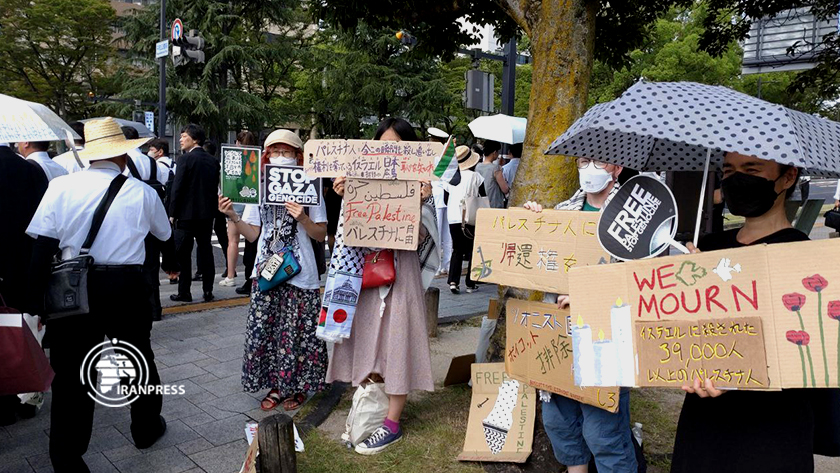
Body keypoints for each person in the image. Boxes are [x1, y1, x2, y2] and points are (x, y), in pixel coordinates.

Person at [672, 151, 840, 473]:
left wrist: (735, 374)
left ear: (788, 177)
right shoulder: (706, 248)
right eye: (729, 170)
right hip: (704, 420)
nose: (737, 179)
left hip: (773, 428)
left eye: (751, 169)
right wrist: (683, 281)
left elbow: (814, 349)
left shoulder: (810, 259)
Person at [25, 117, 170, 471]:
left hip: (73, 287)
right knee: (137, 359)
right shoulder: (142, 192)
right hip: (126, 287)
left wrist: (34, 302)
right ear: (123, 154)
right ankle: (145, 428)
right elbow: (164, 235)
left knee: (71, 374)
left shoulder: (61, 187)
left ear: (90, 156)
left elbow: (42, 247)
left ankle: (67, 457)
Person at [324, 117, 439, 455]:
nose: (389, 153)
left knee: (398, 341)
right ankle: (368, 411)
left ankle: (391, 422)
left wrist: (422, 201)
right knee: (368, 337)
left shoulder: (420, 182)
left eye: (398, 147)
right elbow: (347, 232)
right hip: (365, 275)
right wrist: (343, 196)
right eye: (383, 146)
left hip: (401, 274)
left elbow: (426, 240)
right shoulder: (357, 178)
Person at [523, 157, 639, 473]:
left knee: (604, 433)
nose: (589, 168)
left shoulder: (633, 219)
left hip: (605, 339)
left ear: (617, 169)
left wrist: (588, 294)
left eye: (599, 162)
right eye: (584, 160)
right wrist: (534, 222)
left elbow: (640, 281)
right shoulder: (562, 213)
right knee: (561, 424)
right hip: (558, 336)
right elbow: (530, 260)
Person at [219, 128, 329, 412]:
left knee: (298, 332)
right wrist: (232, 215)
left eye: (288, 152)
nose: (282, 157)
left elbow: (320, 234)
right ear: (266, 155)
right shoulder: (260, 184)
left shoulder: (311, 182)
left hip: (301, 272)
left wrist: (303, 216)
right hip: (266, 271)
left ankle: (300, 385)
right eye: (276, 152)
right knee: (268, 330)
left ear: (298, 156)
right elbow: (254, 234)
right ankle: (278, 385)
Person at [0, 142, 49, 427]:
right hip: (24, 267)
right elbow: (45, 226)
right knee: (26, 330)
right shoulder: (31, 171)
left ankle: (3, 405)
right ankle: (29, 394)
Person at [169, 124, 220, 302]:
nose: (181, 139)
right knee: (206, 251)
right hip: (207, 214)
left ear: (195, 139)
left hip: (186, 214)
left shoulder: (185, 160)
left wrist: (172, 213)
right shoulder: (213, 161)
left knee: (184, 254)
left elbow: (177, 188)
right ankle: (208, 290)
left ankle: (185, 292)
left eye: (184, 136)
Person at [445, 145, 485, 294]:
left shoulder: (450, 177)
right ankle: (470, 282)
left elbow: (445, 199)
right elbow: (483, 198)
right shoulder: (476, 177)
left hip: (453, 217)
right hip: (470, 218)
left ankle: (453, 281)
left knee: (457, 249)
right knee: (472, 249)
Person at [220, 131, 257, 287]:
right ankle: (251, 274)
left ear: (237, 143)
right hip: (252, 203)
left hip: (234, 202)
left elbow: (223, 184)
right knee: (252, 242)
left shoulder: (230, 160)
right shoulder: (256, 160)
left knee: (233, 241)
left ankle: (230, 276)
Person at [147, 138, 179, 287]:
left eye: (152, 149)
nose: (149, 152)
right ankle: (173, 271)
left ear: (159, 151)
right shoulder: (175, 164)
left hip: (160, 206)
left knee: (156, 243)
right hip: (174, 207)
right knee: (169, 241)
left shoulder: (156, 166)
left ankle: (160, 274)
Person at [427, 127, 452, 276]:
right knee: (447, 234)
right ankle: (446, 265)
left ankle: (436, 267)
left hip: (436, 194)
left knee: (437, 232)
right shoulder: (449, 155)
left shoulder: (432, 154)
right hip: (448, 194)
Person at [475, 140, 509, 209]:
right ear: (494, 152)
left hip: (482, 205)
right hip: (494, 205)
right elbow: (505, 189)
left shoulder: (477, 166)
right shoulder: (495, 168)